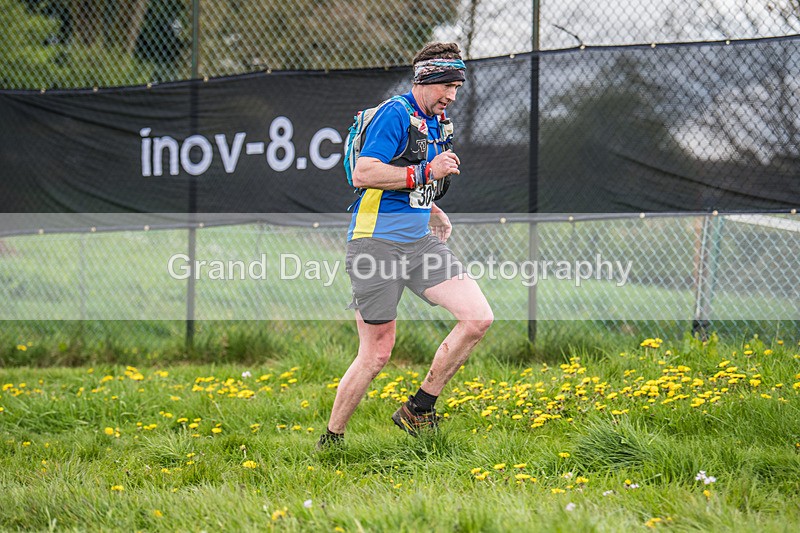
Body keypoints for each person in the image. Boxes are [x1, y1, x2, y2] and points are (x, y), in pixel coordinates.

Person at [317, 42, 493, 449]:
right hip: (374, 244)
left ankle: (419, 408)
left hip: (418, 243)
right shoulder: (394, 113)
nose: (452, 94)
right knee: (377, 354)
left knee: (478, 318)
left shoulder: (436, 121)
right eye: (447, 85)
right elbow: (364, 173)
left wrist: (432, 209)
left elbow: (410, 181)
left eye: (457, 87)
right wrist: (427, 171)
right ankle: (332, 439)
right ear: (426, 80)